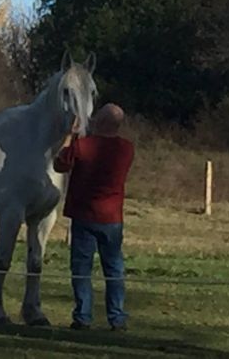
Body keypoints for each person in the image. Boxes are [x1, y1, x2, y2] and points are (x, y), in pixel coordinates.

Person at [54, 103, 135, 331]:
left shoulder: (83, 146)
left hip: (84, 214)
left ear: (98, 122)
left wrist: (70, 136)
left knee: (81, 269)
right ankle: (117, 317)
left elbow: (60, 164)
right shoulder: (127, 148)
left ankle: (83, 316)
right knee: (114, 269)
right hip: (112, 217)